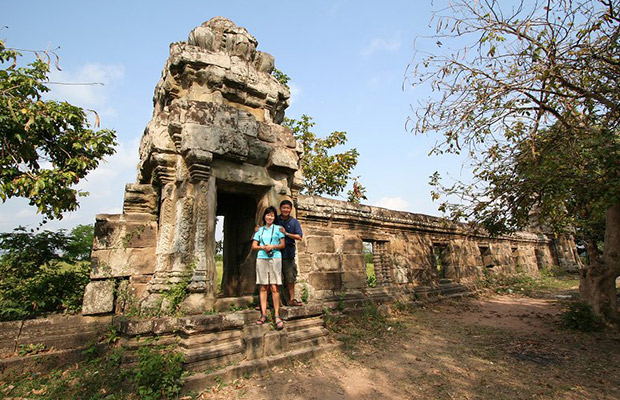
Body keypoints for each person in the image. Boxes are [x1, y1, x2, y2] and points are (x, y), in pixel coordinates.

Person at [252, 206, 286, 329]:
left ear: (274, 217)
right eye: (268, 215)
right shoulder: (259, 230)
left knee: (274, 286)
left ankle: (276, 314)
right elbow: (254, 246)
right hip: (262, 257)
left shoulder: (278, 229)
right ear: (264, 216)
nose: (270, 217)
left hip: (275, 257)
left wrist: (272, 246)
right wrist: (263, 247)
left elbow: (282, 245)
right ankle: (263, 314)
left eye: (272, 215)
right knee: (263, 286)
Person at [275, 199, 304, 306]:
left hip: (288, 253)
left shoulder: (294, 222)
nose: (285, 210)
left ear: (291, 209)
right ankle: (272, 301)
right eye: (284, 208)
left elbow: (299, 236)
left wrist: (286, 233)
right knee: (274, 277)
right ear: (280, 208)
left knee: (290, 277)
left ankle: (291, 299)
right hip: (275, 252)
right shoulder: (276, 219)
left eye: (288, 208)